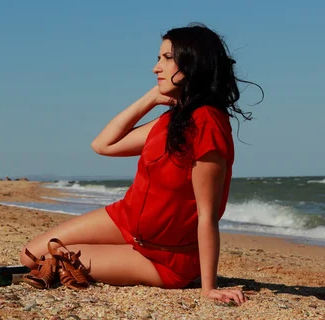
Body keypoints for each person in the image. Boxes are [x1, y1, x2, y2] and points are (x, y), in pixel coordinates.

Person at [19, 23, 261, 305]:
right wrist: (150, 99)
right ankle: (115, 251)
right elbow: (103, 145)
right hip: (126, 220)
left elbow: (207, 215)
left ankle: (122, 257)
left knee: (50, 259)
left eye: (167, 58)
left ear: (193, 62)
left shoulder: (206, 122)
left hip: (165, 257)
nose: (156, 68)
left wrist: (209, 287)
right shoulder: (173, 119)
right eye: (159, 58)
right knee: (29, 255)